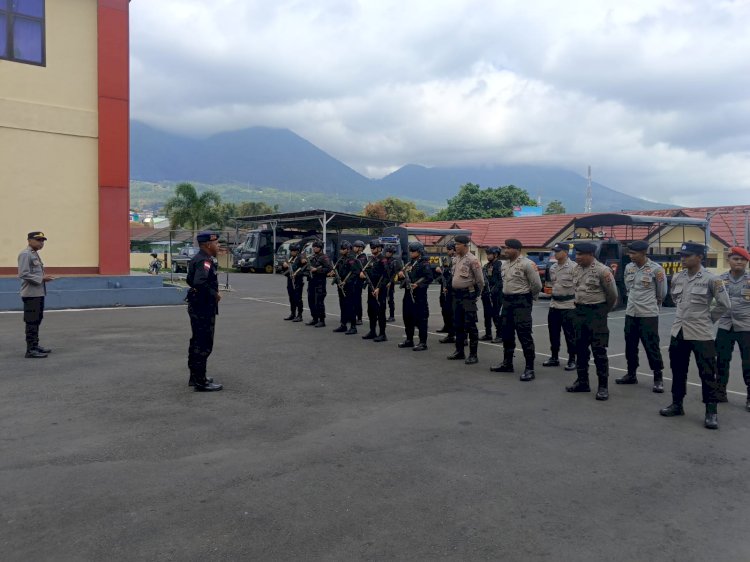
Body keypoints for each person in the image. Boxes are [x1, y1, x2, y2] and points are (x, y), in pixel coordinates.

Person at [660, 242, 730, 429]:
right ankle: (677, 404)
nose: (683, 258)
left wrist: (708, 319)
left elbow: (724, 304)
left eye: (688, 255)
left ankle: (711, 411)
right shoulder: (677, 277)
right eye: (681, 255)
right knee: (678, 370)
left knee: (707, 373)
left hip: (701, 334)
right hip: (679, 331)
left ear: (700, 257)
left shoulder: (711, 279)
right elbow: (676, 300)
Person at [565, 242, 618, 400]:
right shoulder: (575, 269)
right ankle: (582, 382)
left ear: (590, 254)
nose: (577, 257)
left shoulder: (602, 271)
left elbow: (612, 295)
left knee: (599, 351)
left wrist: (602, 312)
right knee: (580, 349)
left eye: (581, 254)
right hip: (579, 312)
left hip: (596, 314)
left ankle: (603, 387)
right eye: (577, 254)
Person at [616, 240, 668, 392]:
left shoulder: (656, 269)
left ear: (644, 253)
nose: (630, 256)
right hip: (631, 312)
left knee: (651, 347)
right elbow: (628, 287)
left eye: (634, 253)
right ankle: (631, 374)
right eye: (630, 253)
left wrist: (652, 303)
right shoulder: (629, 268)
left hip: (648, 314)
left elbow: (662, 292)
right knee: (630, 346)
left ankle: (658, 378)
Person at [491, 238, 542, 381]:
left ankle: (530, 368)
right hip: (507, 301)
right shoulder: (504, 265)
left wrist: (527, 299)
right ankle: (507, 363)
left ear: (517, 249)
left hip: (521, 302)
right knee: (507, 334)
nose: (505, 250)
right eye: (504, 248)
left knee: (524, 335)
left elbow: (537, 285)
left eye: (508, 248)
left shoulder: (527, 264)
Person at [186, 231, 223, 391]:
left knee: (197, 341)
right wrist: (215, 294)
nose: (219, 245)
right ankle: (200, 382)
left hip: (197, 305)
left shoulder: (198, 259)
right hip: (203, 307)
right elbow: (199, 282)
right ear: (208, 245)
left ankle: (196, 377)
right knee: (203, 343)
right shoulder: (205, 261)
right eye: (216, 243)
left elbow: (190, 280)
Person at [715, 246, 750, 412]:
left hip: (746, 326)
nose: (739, 262)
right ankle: (720, 392)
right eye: (736, 259)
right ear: (729, 260)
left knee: (748, 363)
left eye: (743, 259)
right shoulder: (720, 279)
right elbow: (715, 302)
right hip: (725, 325)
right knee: (721, 360)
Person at [18, 231, 55, 358]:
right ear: (29, 240)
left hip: (38, 293)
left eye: (43, 241)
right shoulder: (25, 254)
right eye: (38, 240)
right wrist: (42, 279)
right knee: (31, 321)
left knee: (37, 320)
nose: (41, 243)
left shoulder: (34, 254)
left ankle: (35, 345)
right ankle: (30, 350)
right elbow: (23, 274)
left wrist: (42, 278)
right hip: (30, 294)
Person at [448, 235, 484, 364]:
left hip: (467, 296)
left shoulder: (472, 260)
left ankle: (473, 355)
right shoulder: (456, 258)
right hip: (456, 295)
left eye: (457, 244)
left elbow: (480, 280)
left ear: (465, 245)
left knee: (470, 326)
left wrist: (475, 295)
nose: (455, 246)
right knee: (458, 324)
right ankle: (459, 351)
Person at [544, 243, 577, 371]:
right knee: (553, 333)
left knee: (570, 335)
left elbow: (579, 287)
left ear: (565, 252)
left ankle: (572, 359)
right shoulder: (553, 268)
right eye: (554, 251)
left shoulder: (574, 267)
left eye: (557, 251)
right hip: (554, 304)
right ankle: (554, 357)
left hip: (569, 305)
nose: (555, 253)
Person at [397, 241, 433, 351]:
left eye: (413, 251)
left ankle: (423, 342)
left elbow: (429, 278)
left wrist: (418, 284)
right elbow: (402, 276)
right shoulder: (410, 263)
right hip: (408, 293)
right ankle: (409, 339)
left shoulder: (424, 264)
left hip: (419, 295)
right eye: (410, 251)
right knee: (407, 317)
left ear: (419, 251)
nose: (411, 253)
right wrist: (401, 275)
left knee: (421, 319)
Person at [361, 239, 390, 341]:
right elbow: (369, 271)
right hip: (371, 287)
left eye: (374, 248)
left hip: (380, 289)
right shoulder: (371, 259)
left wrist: (379, 288)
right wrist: (364, 274)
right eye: (371, 248)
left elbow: (386, 276)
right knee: (371, 311)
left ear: (379, 248)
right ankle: (372, 331)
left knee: (380, 312)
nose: (372, 250)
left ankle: (382, 334)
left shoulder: (383, 260)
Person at [329, 241, 359, 334]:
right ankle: (343, 325)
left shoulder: (352, 259)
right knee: (343, 305)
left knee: (350, 306)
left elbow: (355, 272)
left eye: (343, 249)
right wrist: (333, 273)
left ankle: (353, 327)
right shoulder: (341, 259)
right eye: (341, 249)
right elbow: (337, 269)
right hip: (340, 285)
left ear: (348, 250)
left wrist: (346, 281)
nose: (341, 250)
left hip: (349, 285)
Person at [302, 240, 331, 327]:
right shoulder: (312, 256)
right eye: (313, 247)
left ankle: (322, 320)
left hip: (320, 282)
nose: (314, 248)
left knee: (319, 301)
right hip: (311, 281)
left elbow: (328, 268)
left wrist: (317, 270)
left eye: (316, 247)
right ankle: (314, 318)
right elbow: (306, 268)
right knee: (311, 300)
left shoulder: (324, 257)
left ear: (320, 248)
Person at [480, 246, 503, 342]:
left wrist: (493, 290)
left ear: (496, 255)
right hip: (486, 293)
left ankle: (500, 335)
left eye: (489, 254)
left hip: (496, 295)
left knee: (496, 314)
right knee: (487, 314)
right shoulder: (487, 266)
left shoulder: (499, 265)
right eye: (487, 254)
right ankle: (488, 333)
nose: (488, 256)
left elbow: (501, 281)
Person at [437, 241, 457, 343]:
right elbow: (443, 273)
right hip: (444, 287)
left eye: (449, 249)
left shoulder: (457, 260)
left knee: (453, 312)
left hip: (452, 288)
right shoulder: (445, 259)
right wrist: (440, 272)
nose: (448, 251)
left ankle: (453, 334)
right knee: (445, 309)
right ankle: (448, 328)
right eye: (447, 249)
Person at [281, 243, 305, 322]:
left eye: (294, 251)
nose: (292, 252)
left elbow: (303, 268)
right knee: (291, 297)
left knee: (298, 298)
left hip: (297, 280)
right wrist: (284, 265)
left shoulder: (300, 257)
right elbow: (285, 270)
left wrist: (296, 273)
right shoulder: (290, 258)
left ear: (297, 251)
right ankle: (292, 313)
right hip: (290, 279)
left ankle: (299, 315)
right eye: (291, 251)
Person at [352, 240, 367, 325]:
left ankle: (359, 318)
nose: (354, 248)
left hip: (358, 281)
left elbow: (358, 269)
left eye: (356, 246)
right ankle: (353, 316)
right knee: (353, 300)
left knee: (357, 300)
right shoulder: (356, 256)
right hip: (353, 281)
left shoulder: (362, 257)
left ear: (360, 248)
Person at [387, 246, 402, 322]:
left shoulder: (395, 262)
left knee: (390, 299)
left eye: (389, 252)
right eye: (387, 252)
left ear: (392, 253)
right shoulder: (385, 260)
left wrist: (391, 282)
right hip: (384, 282)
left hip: (390, 283)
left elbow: (396, 273)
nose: (387, 253)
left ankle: (392, 316)